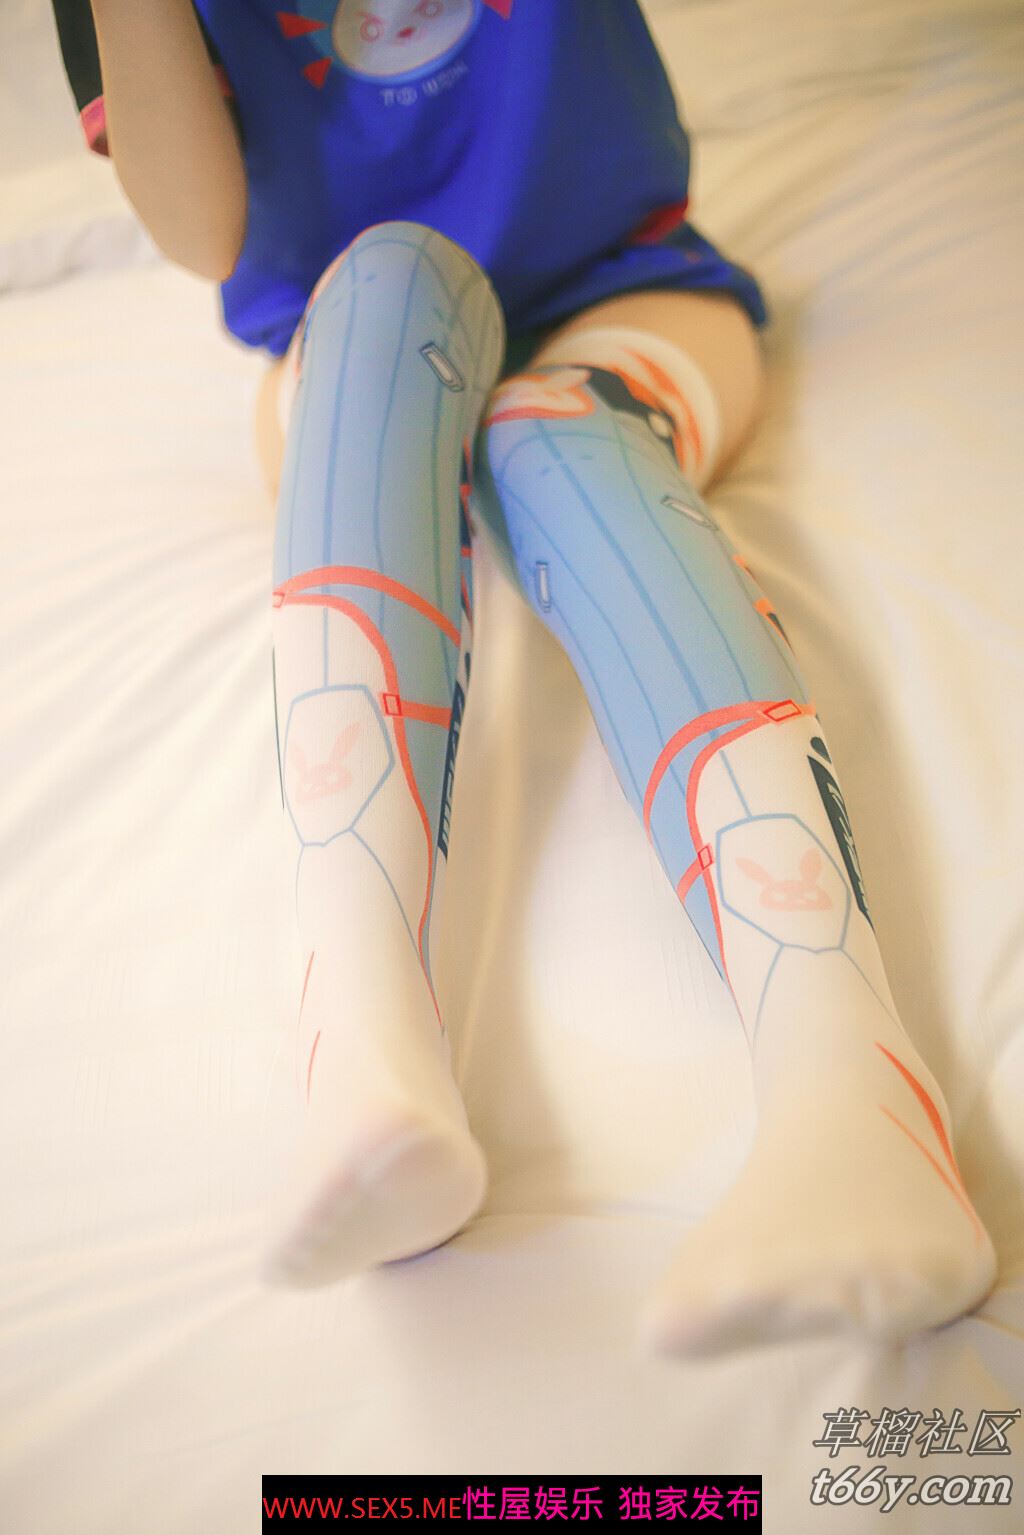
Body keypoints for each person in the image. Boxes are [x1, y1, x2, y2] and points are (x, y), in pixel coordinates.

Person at [53, 0, 996, 1357]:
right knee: (389, 281)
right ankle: (364, 1050)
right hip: (351, 341)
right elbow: (205, 237)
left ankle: (857, 1092)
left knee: (556, 438)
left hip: (620, 291)